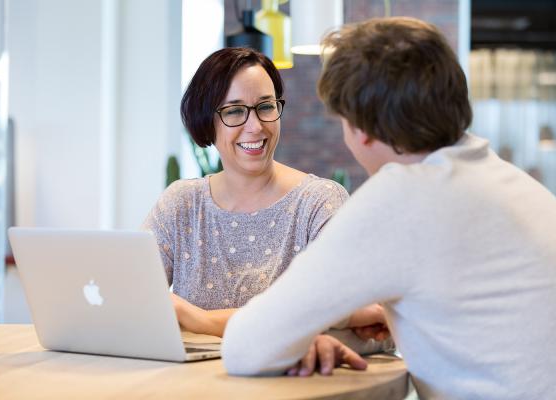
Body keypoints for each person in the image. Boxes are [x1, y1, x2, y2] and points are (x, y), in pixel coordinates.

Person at [222, 17, 556, 400]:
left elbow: (245, 347)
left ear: (361, 127)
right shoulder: (514, 184)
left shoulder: (401, 197)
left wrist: (339, 317)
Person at [142, 47, 390, 343]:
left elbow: (331, 309)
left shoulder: (319, 203)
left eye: (265, 107)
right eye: (234, 111)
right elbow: (134, 300)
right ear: (206, 121)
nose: (255, 126)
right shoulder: (180, 204)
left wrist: (198, 319)